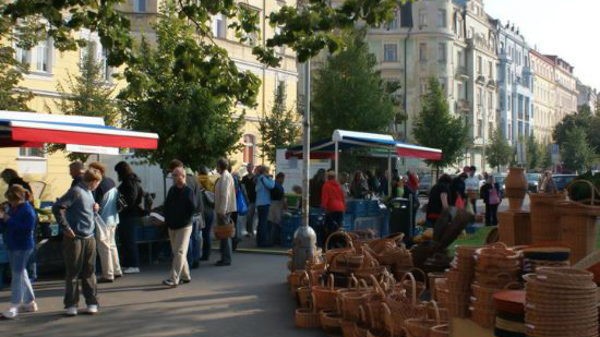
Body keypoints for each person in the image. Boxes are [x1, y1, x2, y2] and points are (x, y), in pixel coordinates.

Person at [52, 168, 102, 316]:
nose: (98, 185)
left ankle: (91, 302)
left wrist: (96, 208)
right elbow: (58, 207)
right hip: (75, 238)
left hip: (89, 236)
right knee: (74, 272)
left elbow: (86, 211)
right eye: (98, 182)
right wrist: (66, 228)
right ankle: (71, 304)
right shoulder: (76, 191)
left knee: (89, 271)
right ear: (94, 181)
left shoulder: (88, 192)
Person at [0, 185, 37, 319]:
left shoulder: (28, 210)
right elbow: (6, 226)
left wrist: (9, 220)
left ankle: (14, 305)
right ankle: (29, 302)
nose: (10, 202)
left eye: (12, 200)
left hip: (23, 246)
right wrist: (2, 219)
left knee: (17, 275)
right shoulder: (14, 209)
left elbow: (27, 229)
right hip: (13, 244)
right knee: (22, 273)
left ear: (19, 198)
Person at [88, 162, 122, 283]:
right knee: (112, 245)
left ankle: (108, 274)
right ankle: (117, 270)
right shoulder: (111, 182)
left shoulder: (100, 186)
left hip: (103, 220)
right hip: (114, 218)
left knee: (104, 247)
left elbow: (96, 204)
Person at [162, 166, 195, 286]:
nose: (174, 178)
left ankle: (173, 278)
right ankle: (185, 276)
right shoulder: (172, 190)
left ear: (183, 176)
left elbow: (192, 208)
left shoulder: (188, 191)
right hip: (172, 225)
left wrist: (184, 219)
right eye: (173, 175)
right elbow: (166, 206)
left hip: (184, 226)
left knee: (180, 251)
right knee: (177, 251)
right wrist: (167, 221)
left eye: (176, 175)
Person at [168, 160, 204, 269]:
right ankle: (196, 260)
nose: (172, 176)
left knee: (187, 241)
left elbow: (185, 200)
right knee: (196, 238)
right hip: (198, 212)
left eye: (173, 173)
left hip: (189, 215)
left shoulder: (183, 181)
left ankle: (188, 261)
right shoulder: (194, 179)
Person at [114, 161, 144, 274]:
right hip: (131, 215)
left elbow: (131, 199)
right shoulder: (133, 181)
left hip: (128, 215)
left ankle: (133, 264)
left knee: (129, 240)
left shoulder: (128, 182)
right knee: (126, 240)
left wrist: (121, 204)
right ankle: (128, 264)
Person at [214, 158, 236, 266]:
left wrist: (222, 210)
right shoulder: (224, 176)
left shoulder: (225, 177)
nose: (216, 167)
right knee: (224, 235)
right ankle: (224, 257)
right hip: (224, 209)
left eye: (217, 165)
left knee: (225, 235)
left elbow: (225, 195)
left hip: (224, 210)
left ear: (220, 166)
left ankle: (226, 258)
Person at [321, 170, 346, 247]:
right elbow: (343, 197)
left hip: (332, 208)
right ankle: (338, 245)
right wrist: (344, 207)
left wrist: (323, 207)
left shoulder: (326, 185)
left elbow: (325, 198)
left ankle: (327, 246)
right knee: (338, 228)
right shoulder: (338, 185)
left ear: (328, 177)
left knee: (329, 228)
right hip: (340, 208)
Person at [255, 166, 275, 247]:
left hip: (259, 203)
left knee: (260, 223)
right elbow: (271, 186)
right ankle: (263, 242)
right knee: (263, 223)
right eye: (267, 171)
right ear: (265, 171)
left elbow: (256, 189)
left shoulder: (259, 179)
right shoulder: (263, 179)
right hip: (264, 203)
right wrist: (268, 178)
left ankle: (259, 241)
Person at [198, 166, 214, 261]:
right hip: (210, 210)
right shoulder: (211, 182)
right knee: (207, 233)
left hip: (201, 211)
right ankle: (207, 254)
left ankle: (200, 254)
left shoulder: (197, 181)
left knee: (198, 234)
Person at [268, 173, 286, 246]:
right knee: (276, 222)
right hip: (275, 204)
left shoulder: (277, 185)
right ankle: (274, 240)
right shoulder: (276, 185)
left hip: (276, 204)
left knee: (275, 222)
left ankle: (274, 239)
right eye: (282, 179)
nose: (283, 180)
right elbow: (281, 196)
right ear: (278, 178)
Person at [241, 163, 257, 237]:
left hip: (253, 199)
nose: (248, 169)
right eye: (247, 167)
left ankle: (250, 231)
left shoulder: (255, 177)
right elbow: (242, 188)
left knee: (251, 216)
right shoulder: (244, 178)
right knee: (248, 216)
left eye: (250, 167)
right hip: (246, 199)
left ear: (253, 168)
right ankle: (249, 231)